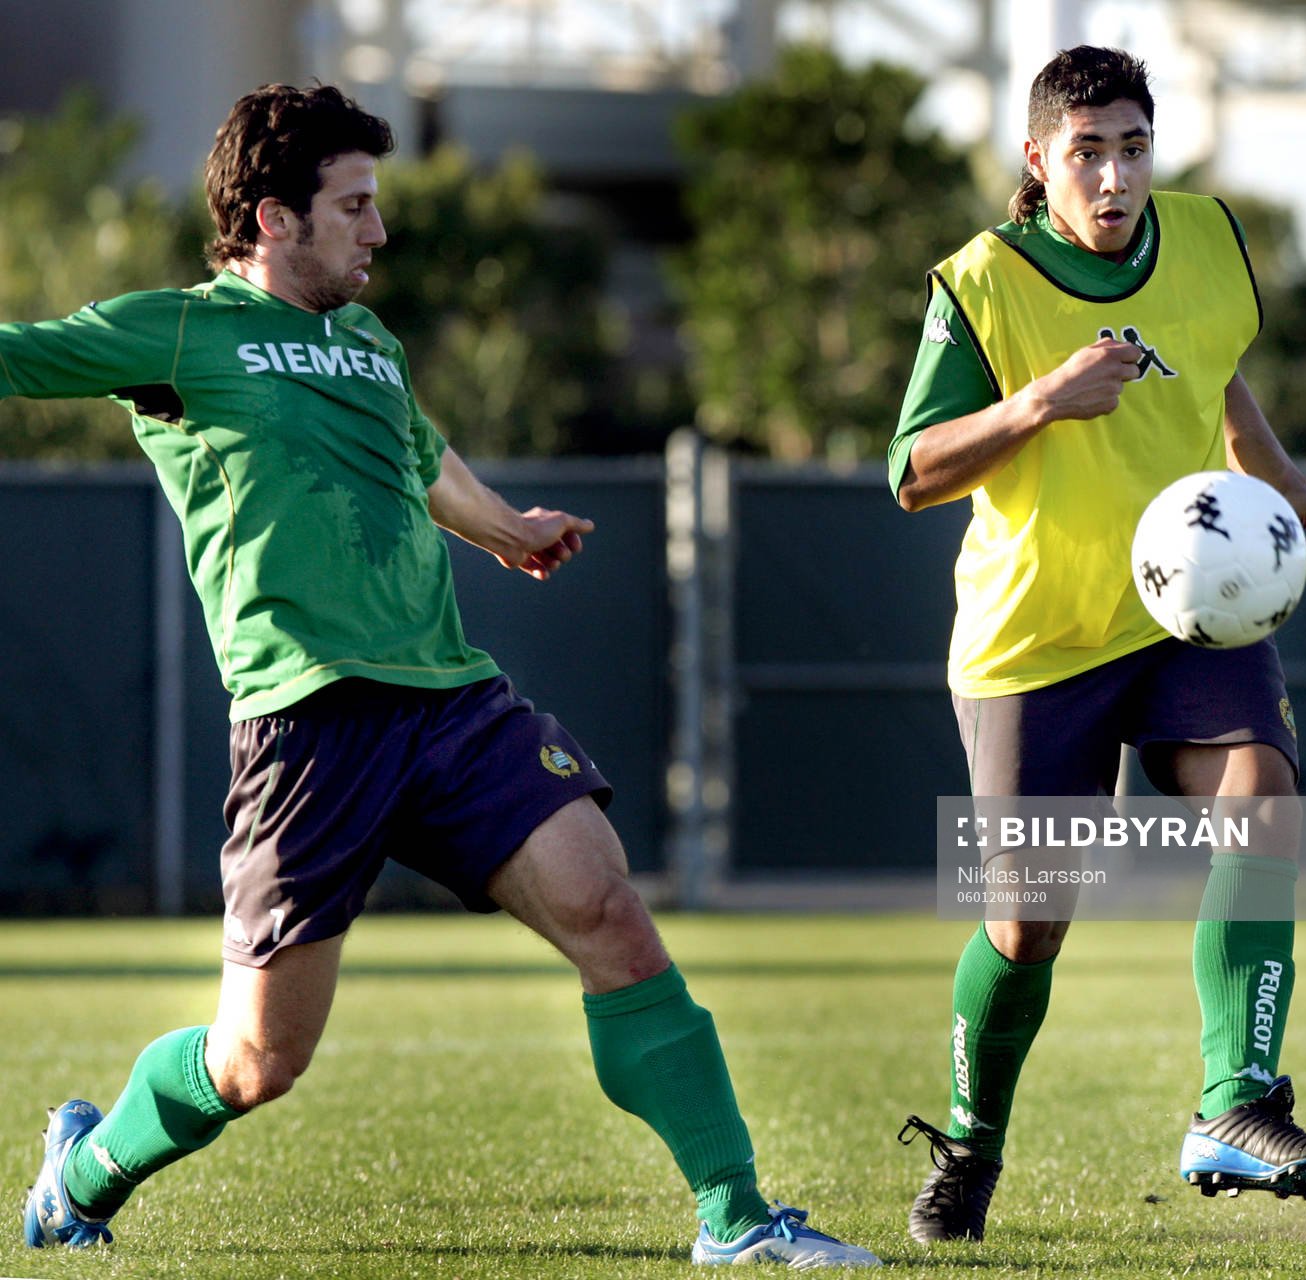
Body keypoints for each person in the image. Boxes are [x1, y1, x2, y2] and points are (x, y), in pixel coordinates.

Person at [9, 83, 877, 1269]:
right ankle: (88, 1167)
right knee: (257, 1060)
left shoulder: (369, 343)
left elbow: (423, 460)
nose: (378, 229)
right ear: (272, 217)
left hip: (450, 698)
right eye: (354, 205)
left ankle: (735, 1214)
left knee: (612, 916)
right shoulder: (175, 333)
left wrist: (508, 528)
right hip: (305, 722)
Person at [888, 46, 1306, 1243]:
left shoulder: (1204, 238)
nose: (1112, 176)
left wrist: (1292, 489)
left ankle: (1234, 1100)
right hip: (1034, 638)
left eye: (1132, 147)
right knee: (1025, 924)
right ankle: (969, 1138)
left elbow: (1218, 381)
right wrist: (1038, 399)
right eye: (1086, 151)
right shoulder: (981, 282)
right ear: (1039, 158)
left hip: (1183, 608)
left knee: (1262, 794)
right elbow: (910, 471)